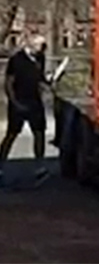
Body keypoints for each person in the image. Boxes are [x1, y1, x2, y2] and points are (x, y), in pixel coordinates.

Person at [0, 32, 50, 186]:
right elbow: (8, 82)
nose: (43, 50)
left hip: (34, 100)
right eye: (41, 46)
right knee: (12, 134)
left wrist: (48, 81)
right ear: (31, 45)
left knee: (39, 132)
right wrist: (14, 102)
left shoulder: (40, 58)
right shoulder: (17, 59)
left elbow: (40, 78)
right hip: (19, 100)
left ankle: (39, 166)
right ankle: (1, 165)